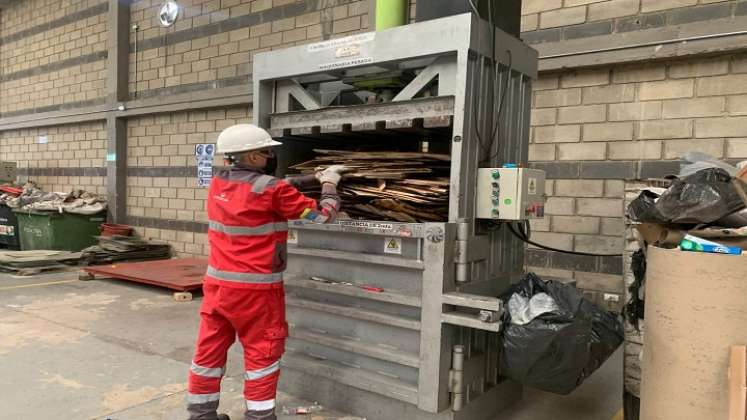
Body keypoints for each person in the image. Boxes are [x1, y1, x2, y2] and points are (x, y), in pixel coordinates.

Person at [186, 124, 344, 420]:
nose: (271, 156)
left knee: (208, 352)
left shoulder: (218, 183)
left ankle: (200, 415)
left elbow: (267, 186)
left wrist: (312, 176)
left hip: (217, 287)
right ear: (254, 156)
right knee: (262, 354)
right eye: (267, 151)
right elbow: (322, 217)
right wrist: (330, 186)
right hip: (257, 293)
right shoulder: (274, 190)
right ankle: (259, 416)